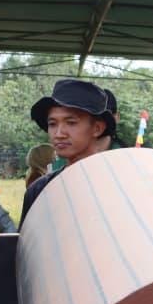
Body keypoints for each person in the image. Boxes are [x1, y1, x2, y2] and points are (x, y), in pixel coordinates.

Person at [22, 78, 116, 223]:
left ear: (97, 128)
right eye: (52, 124)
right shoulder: (40, 190)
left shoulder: (118, 186)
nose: (59, 133)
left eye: (71, 123)